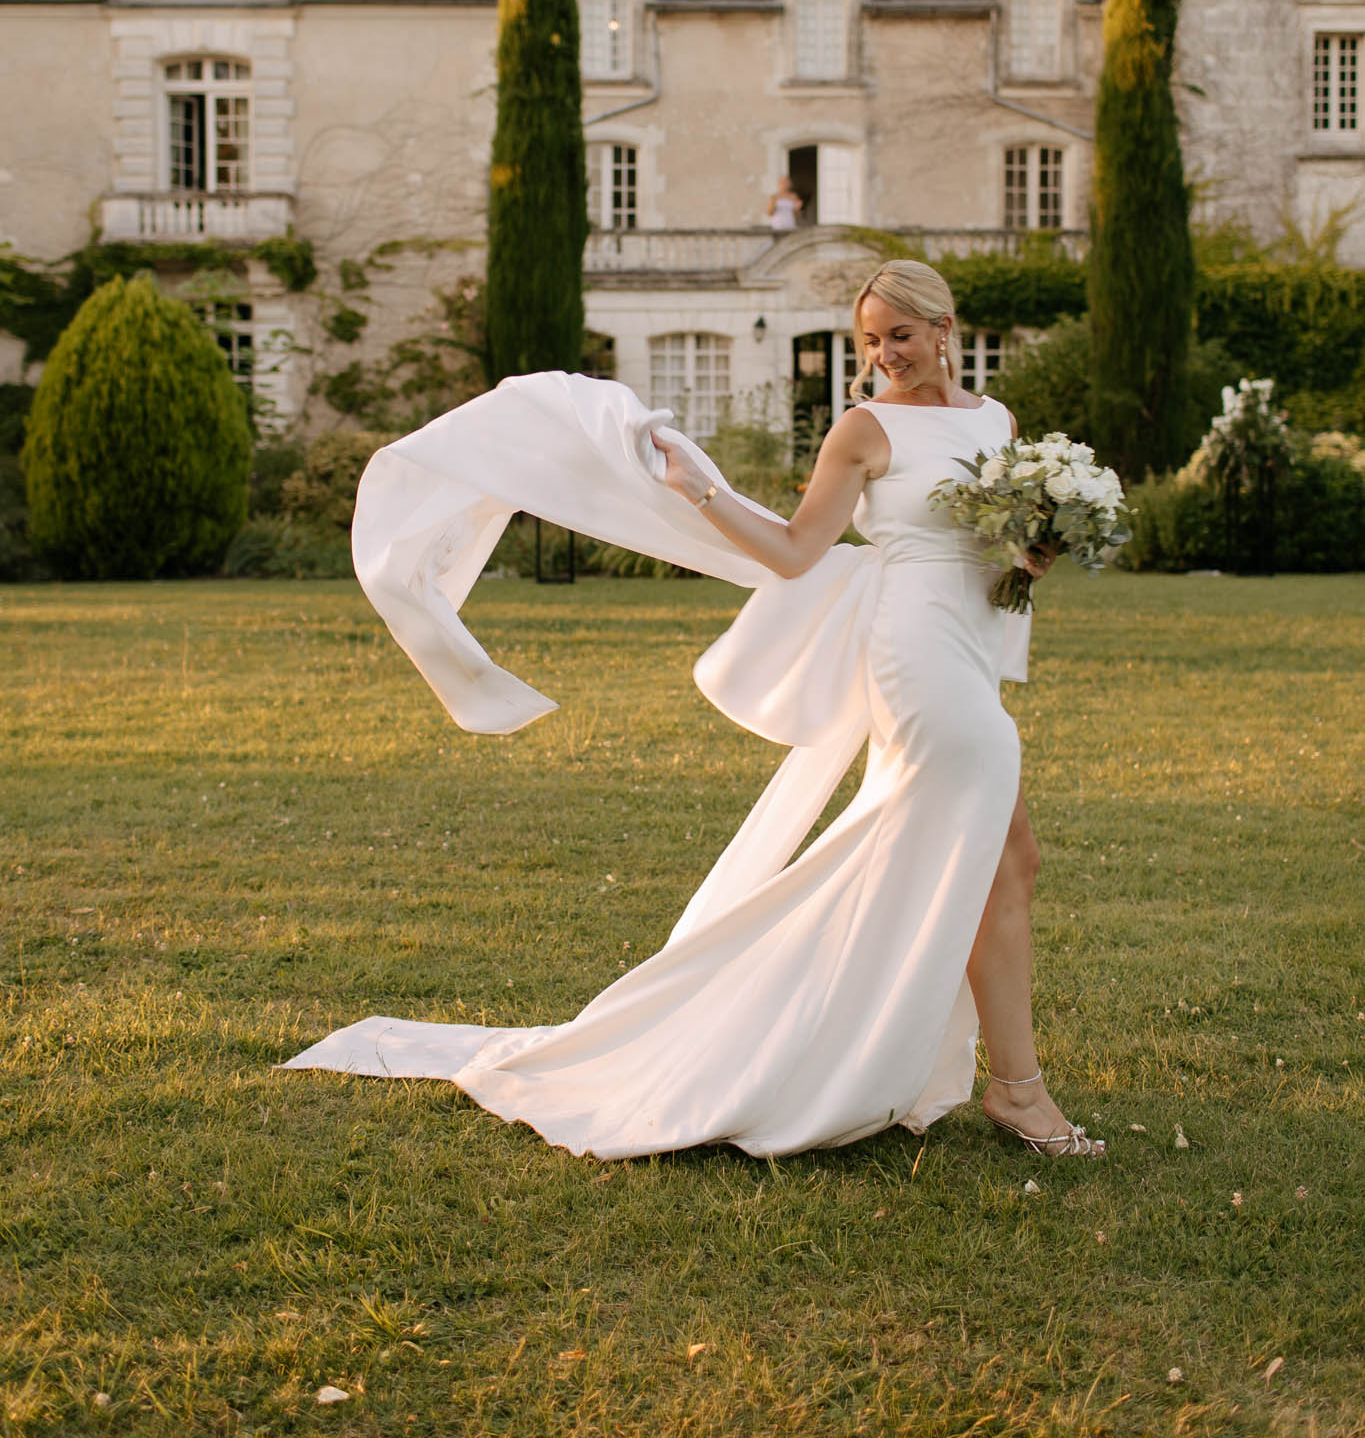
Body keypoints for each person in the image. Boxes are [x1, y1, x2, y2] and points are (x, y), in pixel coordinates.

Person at [283, 259, 1102, 1161]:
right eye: (869, 341)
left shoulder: (996, 422)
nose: (884, 355)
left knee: (1003, 860)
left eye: (898, 336)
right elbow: (795, 552)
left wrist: (1043, 545)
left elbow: (1003, 554)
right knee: (996, 855)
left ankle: (1001, 1082)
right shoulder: (863, 430)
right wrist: (700, 490)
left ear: (944, 326)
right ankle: (1016, 1093)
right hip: (912, 652)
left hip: (972, 642)